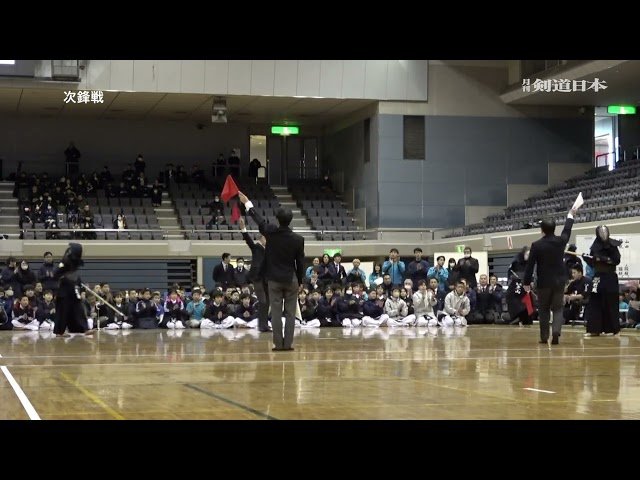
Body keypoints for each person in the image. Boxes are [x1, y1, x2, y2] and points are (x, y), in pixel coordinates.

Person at [238, 191, 305, 351]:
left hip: (273, 280)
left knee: (275, 312)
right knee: (290, 314)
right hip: (291, 279)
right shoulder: (298, 239)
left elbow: (259, 220)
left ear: (277, 219)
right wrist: (300, 281)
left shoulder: (271, 233)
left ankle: (278, 344)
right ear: (290, 220)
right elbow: (300, 263)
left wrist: (247, 203)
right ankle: (287, 345)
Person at [523, 206, 577, 345]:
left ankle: (544, 336)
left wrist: (526, 282)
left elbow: (530, 266)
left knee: (543, 309)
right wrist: (570, 215)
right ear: (554, 229)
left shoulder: (536, 245)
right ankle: (556, 332)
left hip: (543, 282)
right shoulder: (561, 242)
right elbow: (567, 230)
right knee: (558, 308)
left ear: (541, 230)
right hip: (559, 281)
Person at [582, 225, 622, 337]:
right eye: (601, 233)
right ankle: (594, 329)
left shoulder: (613, 246)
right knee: (595, 302)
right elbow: (593, 263)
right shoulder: (594, 247)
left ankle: (614, 329)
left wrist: (604, 259)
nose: (604, 234)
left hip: (610, 277)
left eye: (605, 232)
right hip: (598, 277)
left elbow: (616, 260)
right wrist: (588, 258)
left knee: (611, 303)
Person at [53, 242, 92, 337]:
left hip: (73, 289)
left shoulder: (75, 261)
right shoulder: (64, 261)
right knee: (63, 311)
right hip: (64, 291)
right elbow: (56, 274)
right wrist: (64, 277)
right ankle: (60, 331)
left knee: (78, 309)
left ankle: (83, 329)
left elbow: (75, 275)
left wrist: (78, 282)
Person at [238, 216, 270, 332]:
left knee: (267, 302)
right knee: (262, 301)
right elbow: (248, 240)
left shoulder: (270, 250)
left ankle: (264, 325)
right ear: (261, 238)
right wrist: (243, 229)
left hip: (267, 278)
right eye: (265, 237)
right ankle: (262, 325)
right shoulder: (256, 247)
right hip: (257, 277)